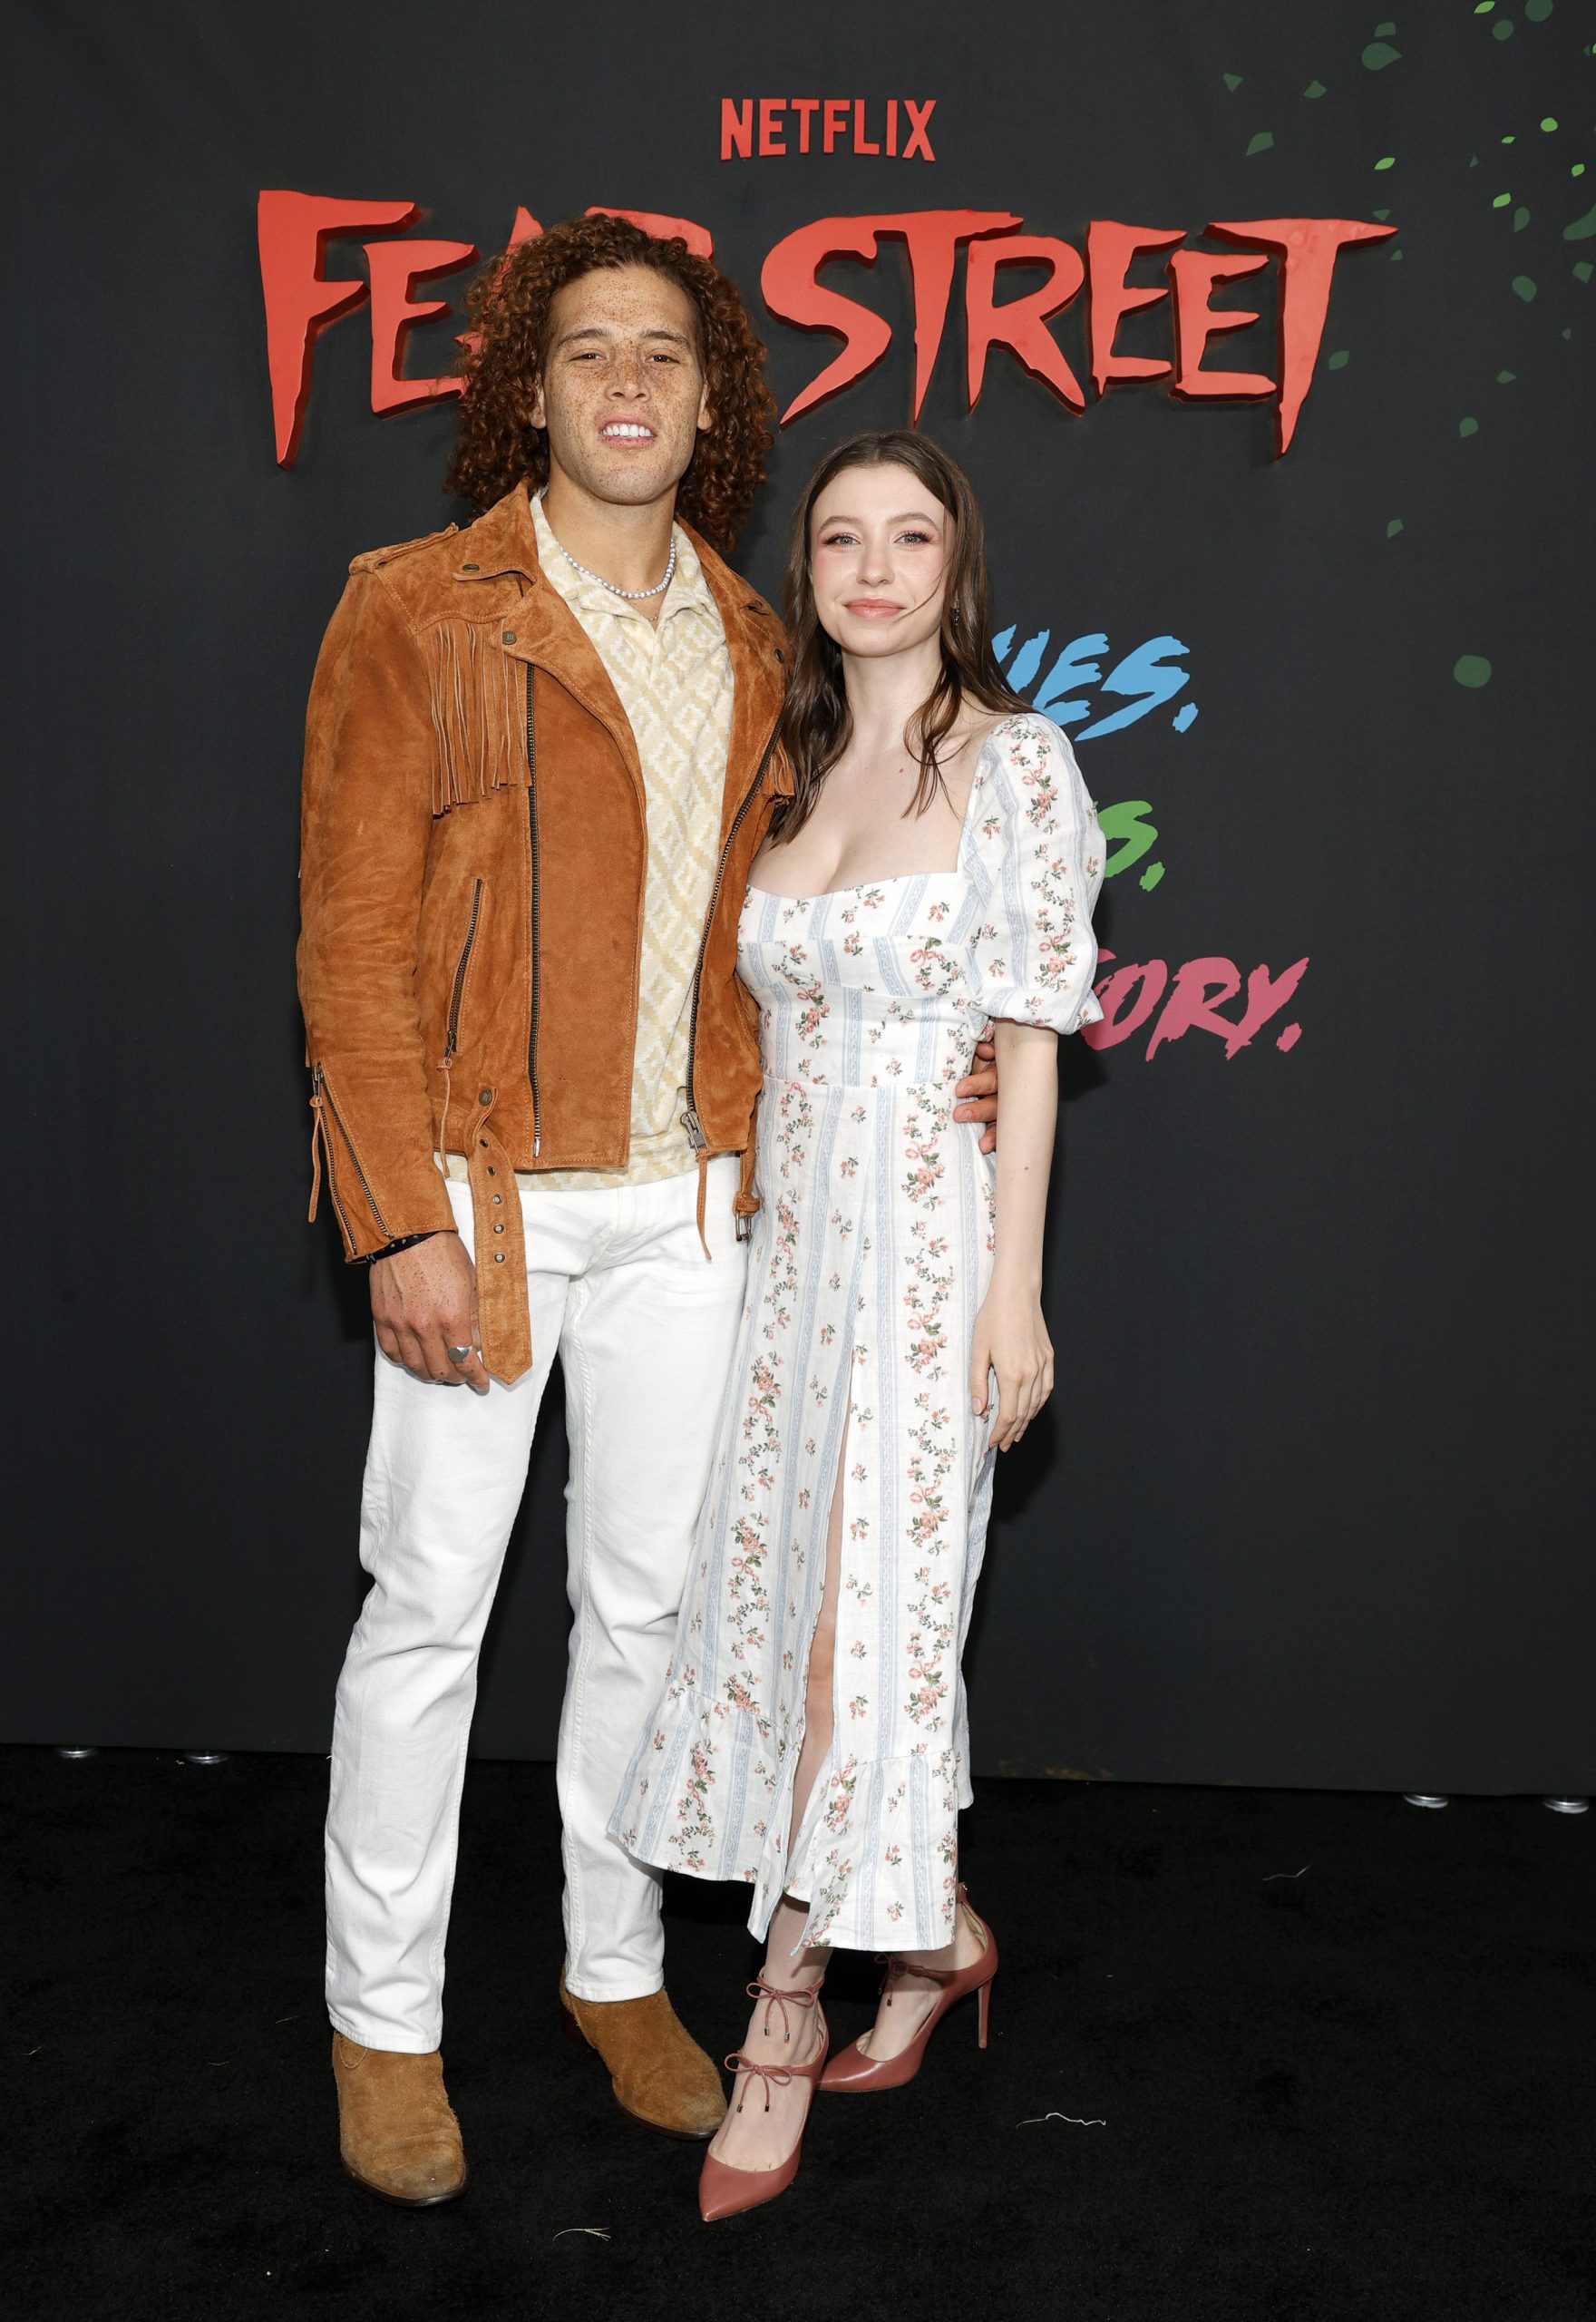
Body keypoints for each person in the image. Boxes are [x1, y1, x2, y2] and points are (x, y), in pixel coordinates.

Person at [297, 220, 1000, 2205]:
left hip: (699, 1210)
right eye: (589, 347)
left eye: (666, 353)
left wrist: (943, 1057)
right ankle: (383, 2020)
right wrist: (395, 1217)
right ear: (530, 389)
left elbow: (815, 927)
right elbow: (348, 944)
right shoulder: (416, 606)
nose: (627, 380)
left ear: (711, 404)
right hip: (481, 1196)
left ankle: (615, 1973)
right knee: (428, 1615)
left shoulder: (762, 643)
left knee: (650, 1618)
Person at [612, 430, 1106, 2220]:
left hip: (929, 1254)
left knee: (860, 1639)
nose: (875, 569)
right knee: (784, 1611)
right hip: (787, 1265)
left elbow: (1026, 1050)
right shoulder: (791, 760)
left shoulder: (1016, 760)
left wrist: (1014, 1295)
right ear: (806, 568)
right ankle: (940, 1935)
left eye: (910, 537)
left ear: (955, 566)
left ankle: (780, 2012)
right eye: (840, 538)